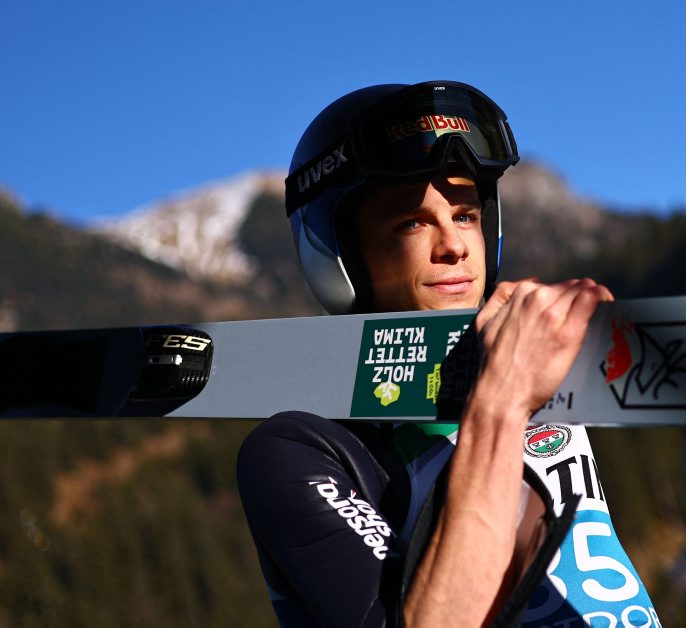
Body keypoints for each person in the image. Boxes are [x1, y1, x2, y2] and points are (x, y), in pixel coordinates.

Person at [237, 81, 659, 627]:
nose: (454, 245)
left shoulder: (537, 370)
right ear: (342, 254)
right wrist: (503, 402)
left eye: (465, 215)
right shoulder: (297, 452)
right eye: (411, 222)